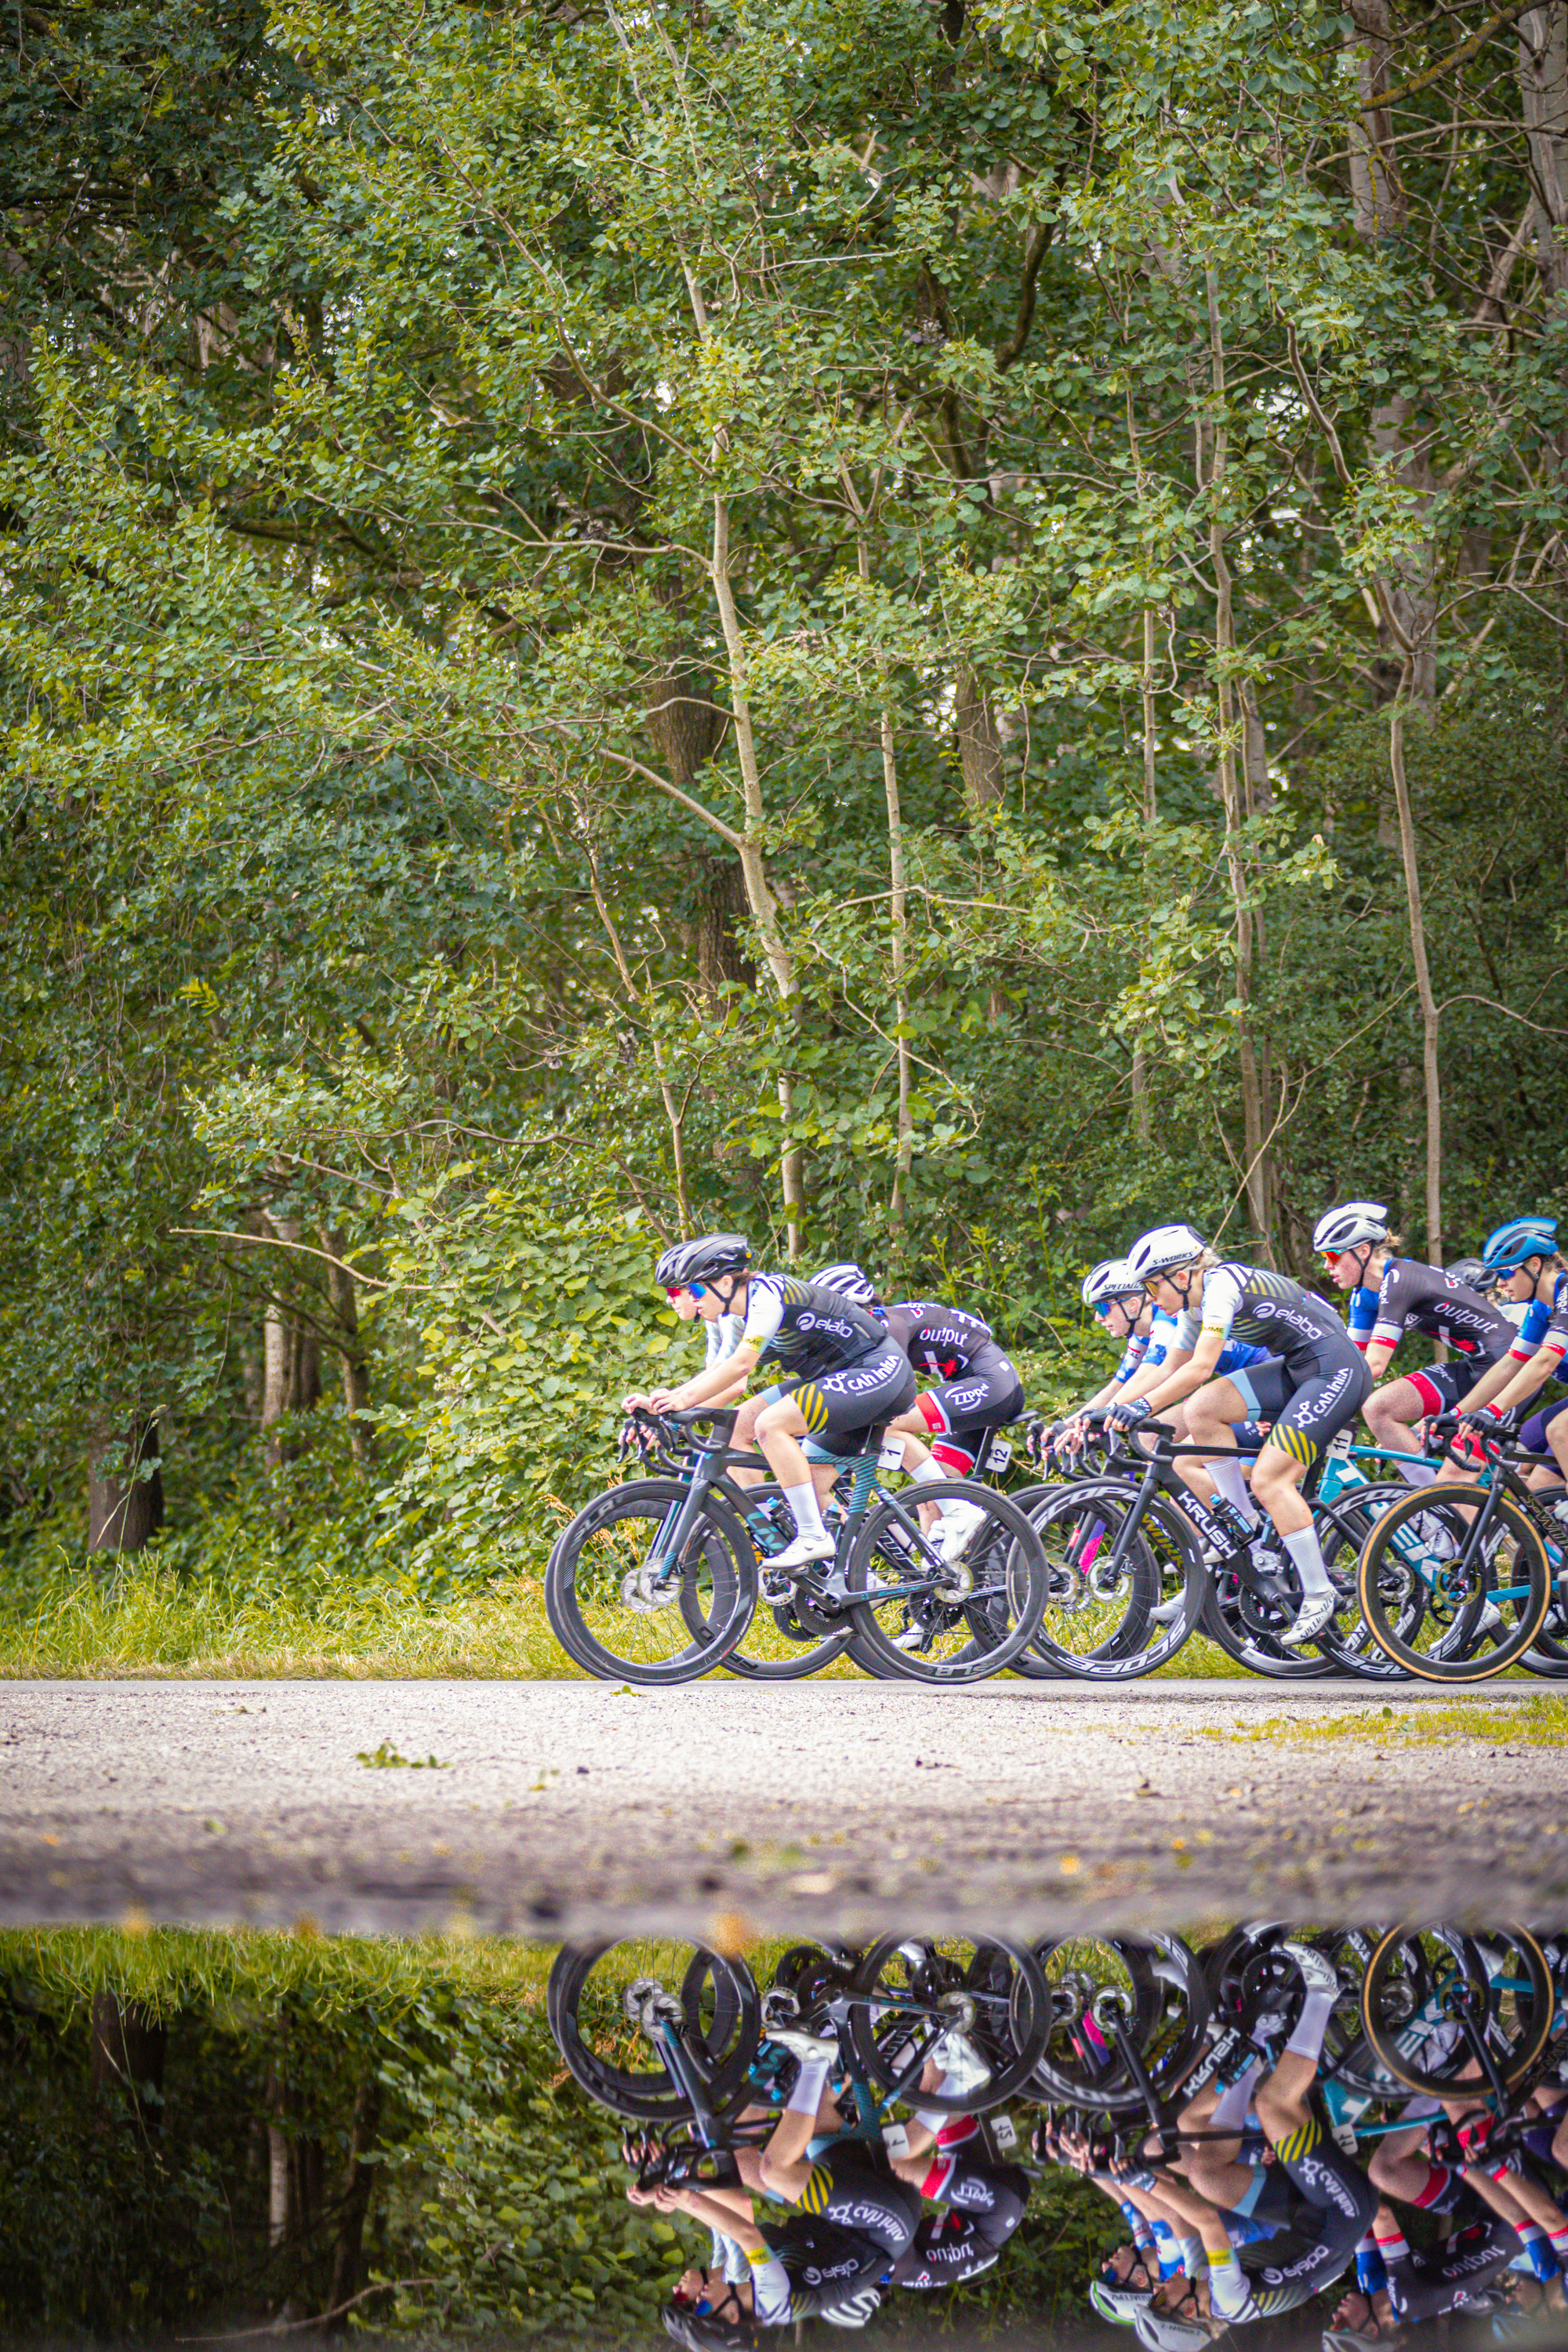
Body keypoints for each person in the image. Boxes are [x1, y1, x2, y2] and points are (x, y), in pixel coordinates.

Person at [1115, 1225, 1373, 1646]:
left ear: (1181, 1276)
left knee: (1272, 1478)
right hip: (1299, 1368)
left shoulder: (1220, 1288)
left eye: (1151, 1284)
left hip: (1336, 1369)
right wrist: (1109, 1412)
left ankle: (1319, 1592)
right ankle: (1243, 1523)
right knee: (1202, 1409)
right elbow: (1168, 1370)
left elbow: (1199, 1368)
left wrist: (1141, 1408)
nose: (1149, 1295)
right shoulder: (1190, 1308)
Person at [626, 1235, 916, 1570]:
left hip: (879, 1370)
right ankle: (785, 1538)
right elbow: (719, 1373)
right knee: (738, 1425)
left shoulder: (766, 1296)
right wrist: (669, 1407)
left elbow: (741, 1367)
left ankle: (812, 1536)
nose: (689, 1298)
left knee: (771, 1423)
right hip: (835, 1376)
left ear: (724, 1282)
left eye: (695, 1290)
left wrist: (678, 1403)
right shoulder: (733, 1314)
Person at [1312, 1201, 1519, 1484]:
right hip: (1475, 1368)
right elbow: (1350, 1361)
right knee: (1378, 1408)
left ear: (1363, 1251)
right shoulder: (1363, 1296)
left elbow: (1374, 1364)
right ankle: (1429, 1510)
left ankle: (1443, 1508)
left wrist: (1314, 1404)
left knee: (1453, 1483)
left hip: (1510, 1369)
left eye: (1332, 1256)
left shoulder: (1400, 1278)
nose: (1326, 1266)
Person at [1450, 1217, 1568, 1482]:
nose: (1499, 1283)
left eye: (1505, 1273)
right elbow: (1509, 1364)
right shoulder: (1540, 1309)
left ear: (1534, 1265)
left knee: (1560, 1431)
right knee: (1524, 1464)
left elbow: (1545, 1361)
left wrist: (1492, 1411)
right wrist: (1456, 1414)